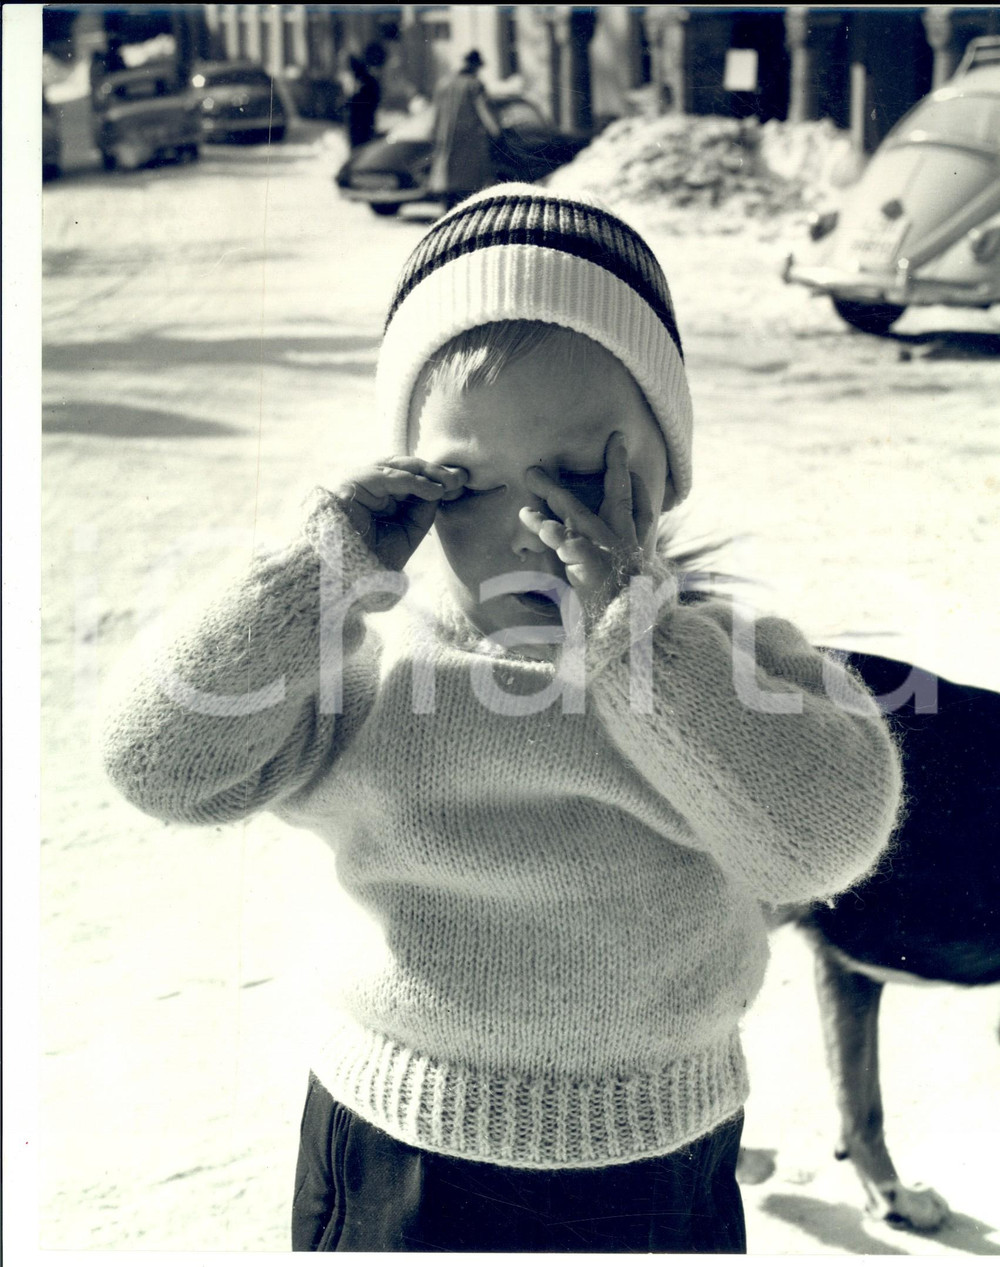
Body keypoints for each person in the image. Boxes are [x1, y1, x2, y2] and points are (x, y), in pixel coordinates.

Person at [101, 184, 903, 1253]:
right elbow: (156, 763)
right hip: (394, 1153)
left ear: (663, 476)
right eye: (465, 482)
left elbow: (824, 839)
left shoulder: (723, 666)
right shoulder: (370, 660)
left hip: (654, 1165)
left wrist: (640, 643)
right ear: (407, 487)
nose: (531, 526)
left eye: (578, 475)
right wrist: (312, 577)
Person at [427, 49, 500, 207]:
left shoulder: (444, 84)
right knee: (468, 192)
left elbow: (435, 115)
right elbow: (485, 113)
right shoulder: (474, 85)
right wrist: (497, 133)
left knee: (449, 193)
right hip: (469, 146)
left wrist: (433, 134)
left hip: (446, 144)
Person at [344, 46, 381, 150]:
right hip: (361, 121)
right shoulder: (363, 81)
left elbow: (368, 100)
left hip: (362, 122)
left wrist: (351, 103)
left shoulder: (365, 82)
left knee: (362, 146)